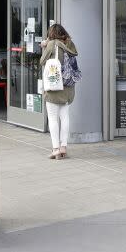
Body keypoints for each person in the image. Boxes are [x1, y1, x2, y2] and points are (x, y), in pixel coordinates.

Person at [39, 24, 79, 160]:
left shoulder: (52, 44)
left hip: (54, 87)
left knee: (53, 118)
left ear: (51, 34)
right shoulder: (70, 44)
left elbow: (42, 61)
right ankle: (63, 147)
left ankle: (55, 148)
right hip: (68, 87)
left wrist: (45, 45)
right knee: (65, 117)